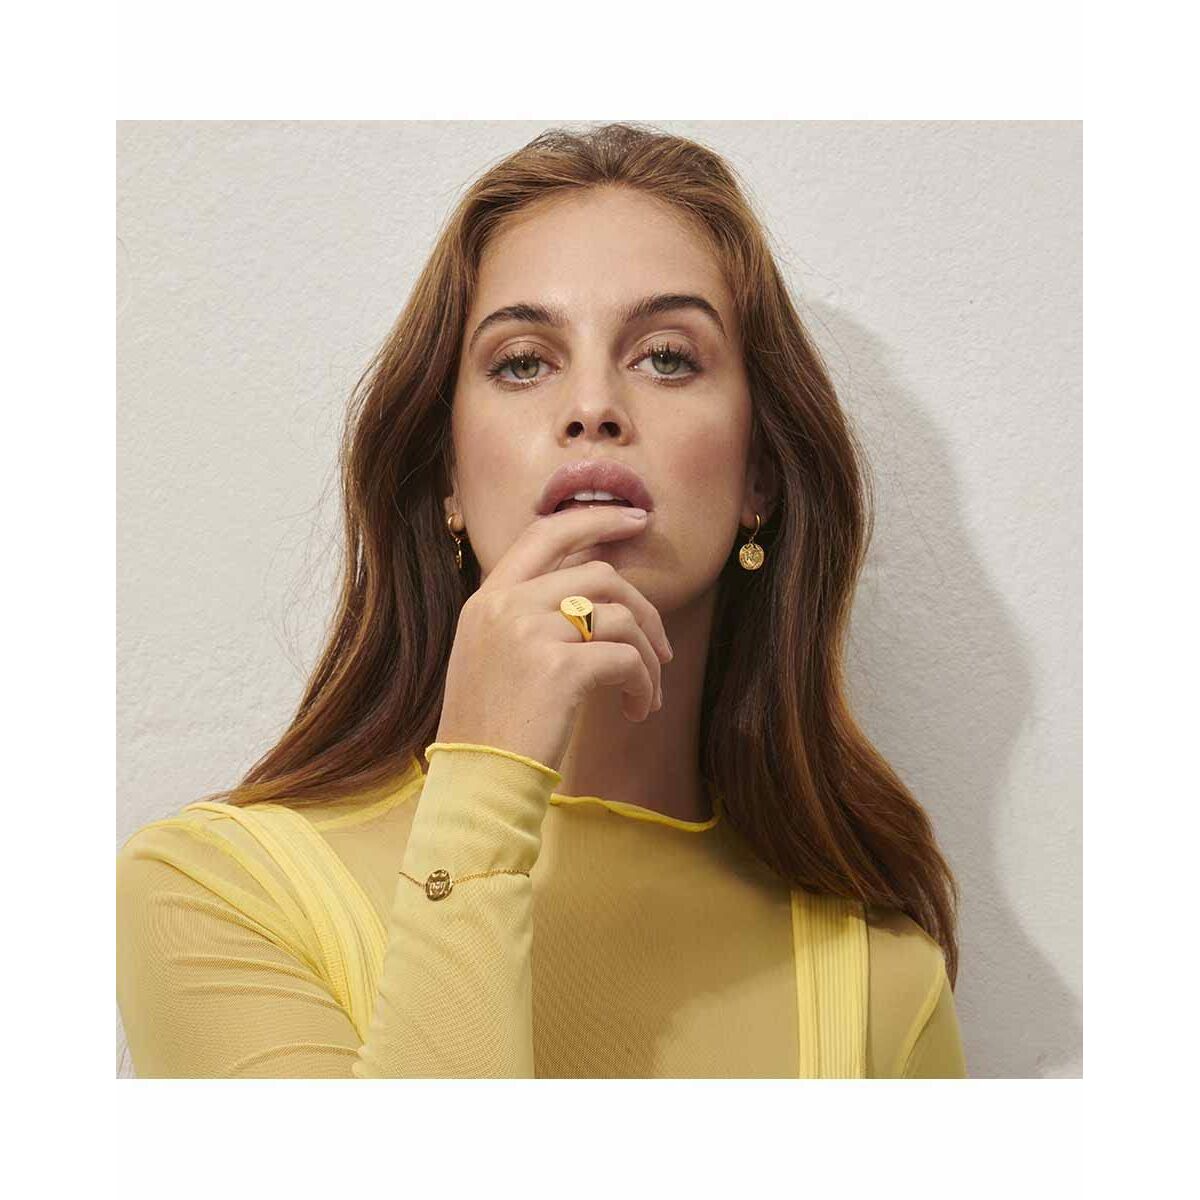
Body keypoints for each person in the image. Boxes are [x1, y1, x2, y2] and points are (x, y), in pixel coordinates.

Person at [116, 122, 968, 1078]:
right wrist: (485, 780)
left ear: (759, 474)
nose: (592, 406)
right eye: (523, 361)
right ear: (445, 474)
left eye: (667, 356)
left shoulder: (882, 982)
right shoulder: (214, 891)